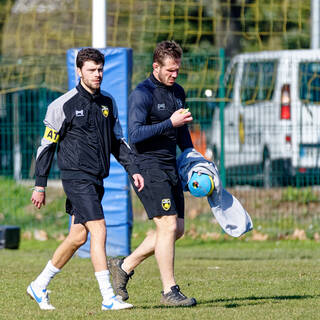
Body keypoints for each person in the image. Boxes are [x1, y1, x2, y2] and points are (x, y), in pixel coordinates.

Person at [27, 47, 144, 311]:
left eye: (101, 69)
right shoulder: (62, 105)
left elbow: (118, 142)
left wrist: (133, 169)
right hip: (75, 178)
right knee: (99, 229)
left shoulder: (108, 103)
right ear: (79, 71)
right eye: (92, 70)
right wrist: (40, 184)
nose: (98, 74)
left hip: (96, 178)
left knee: (78, 237)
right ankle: (108, 298)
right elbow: (46, 147)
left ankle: (38, 285)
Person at [108, 40, 196, 307]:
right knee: (167, 225)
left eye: (177, 70)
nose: (174, 75)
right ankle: (170, 291)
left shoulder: (178, 91)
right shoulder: (142, 94)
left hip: (170, 166)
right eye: (170, 70)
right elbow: (134, 135)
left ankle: (124, 266)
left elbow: (181, 132)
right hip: (147, 166)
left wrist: (193, 157)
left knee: (177, 229)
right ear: (155, 66)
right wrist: (169, 122)